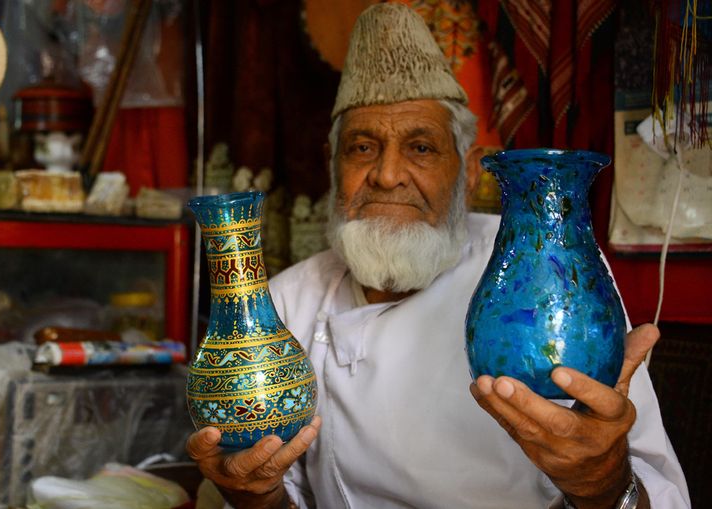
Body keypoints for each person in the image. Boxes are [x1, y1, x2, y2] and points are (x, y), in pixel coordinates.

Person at [187, 4, 690, 508]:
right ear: (331, 165)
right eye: (362, 147)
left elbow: (663, 499)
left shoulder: (551, 270)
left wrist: (601, 480)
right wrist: (253, 494)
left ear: (470, 172)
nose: (387, 175)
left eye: (421, 148)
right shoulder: (281, 305)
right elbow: (277, 495)